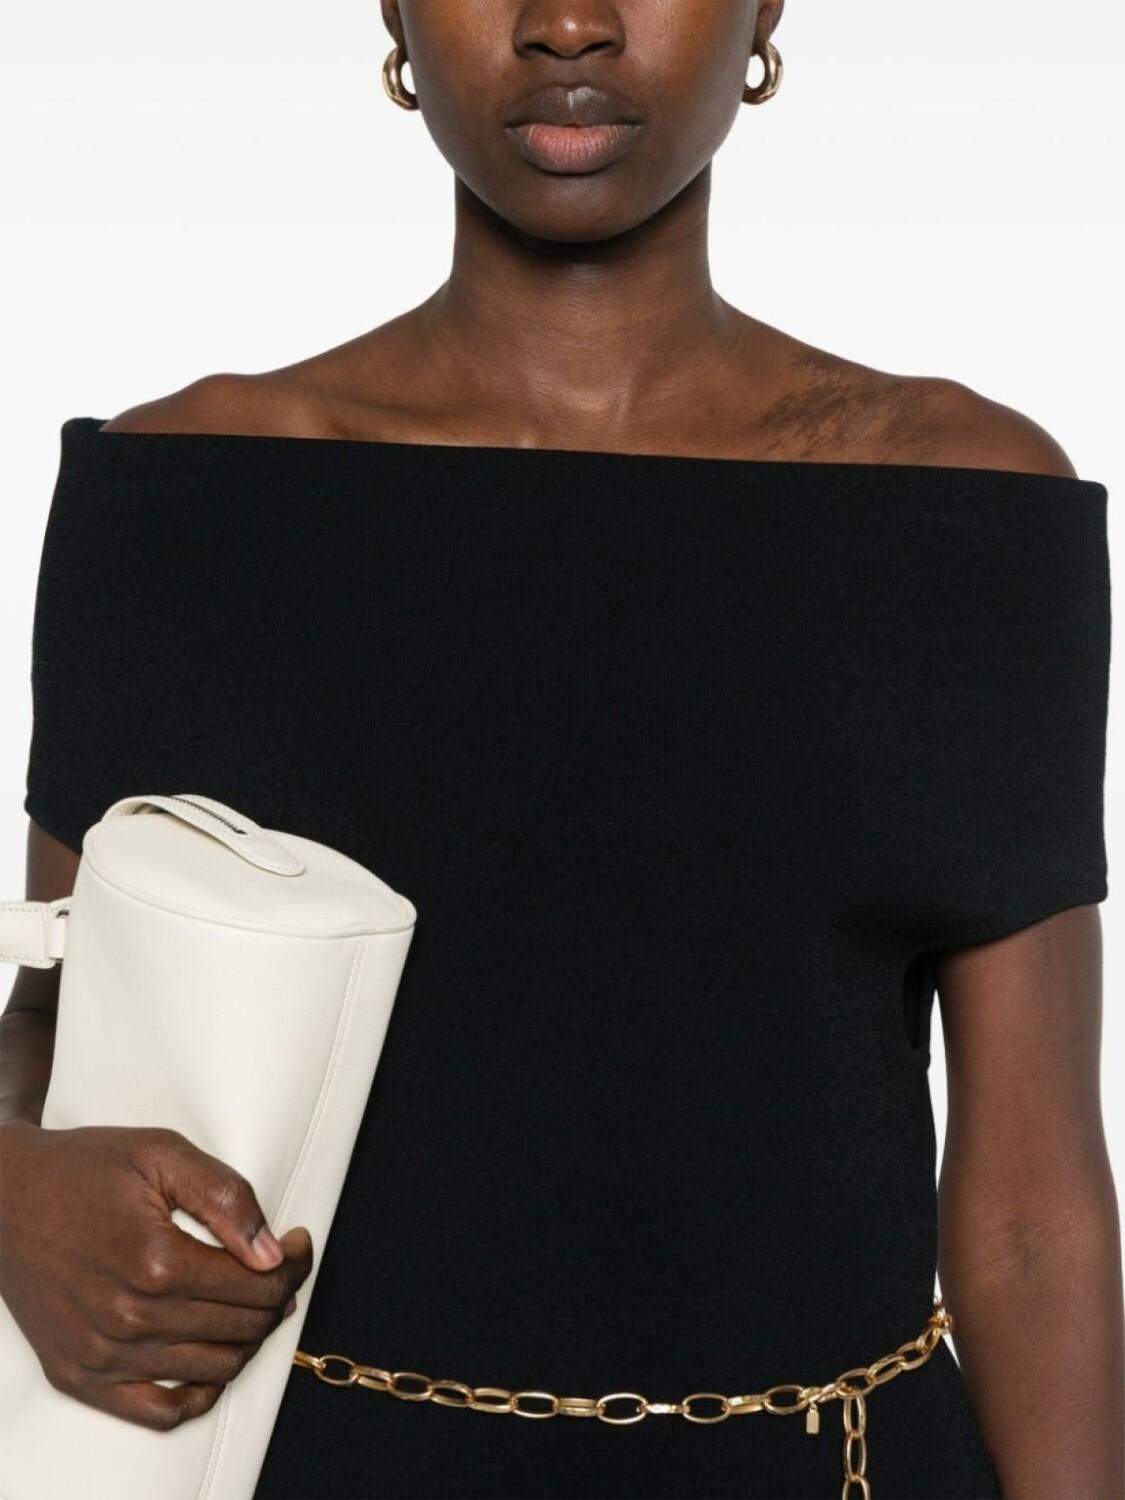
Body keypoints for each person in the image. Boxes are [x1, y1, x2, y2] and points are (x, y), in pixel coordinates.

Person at [1, 2, 1122, 1497]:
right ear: (395, 13)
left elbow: (1035, 1209)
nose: (567, 23)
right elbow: (56, 1027)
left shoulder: (964, 505)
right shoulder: (185, 497)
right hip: (302, 1458)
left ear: (763, 12)